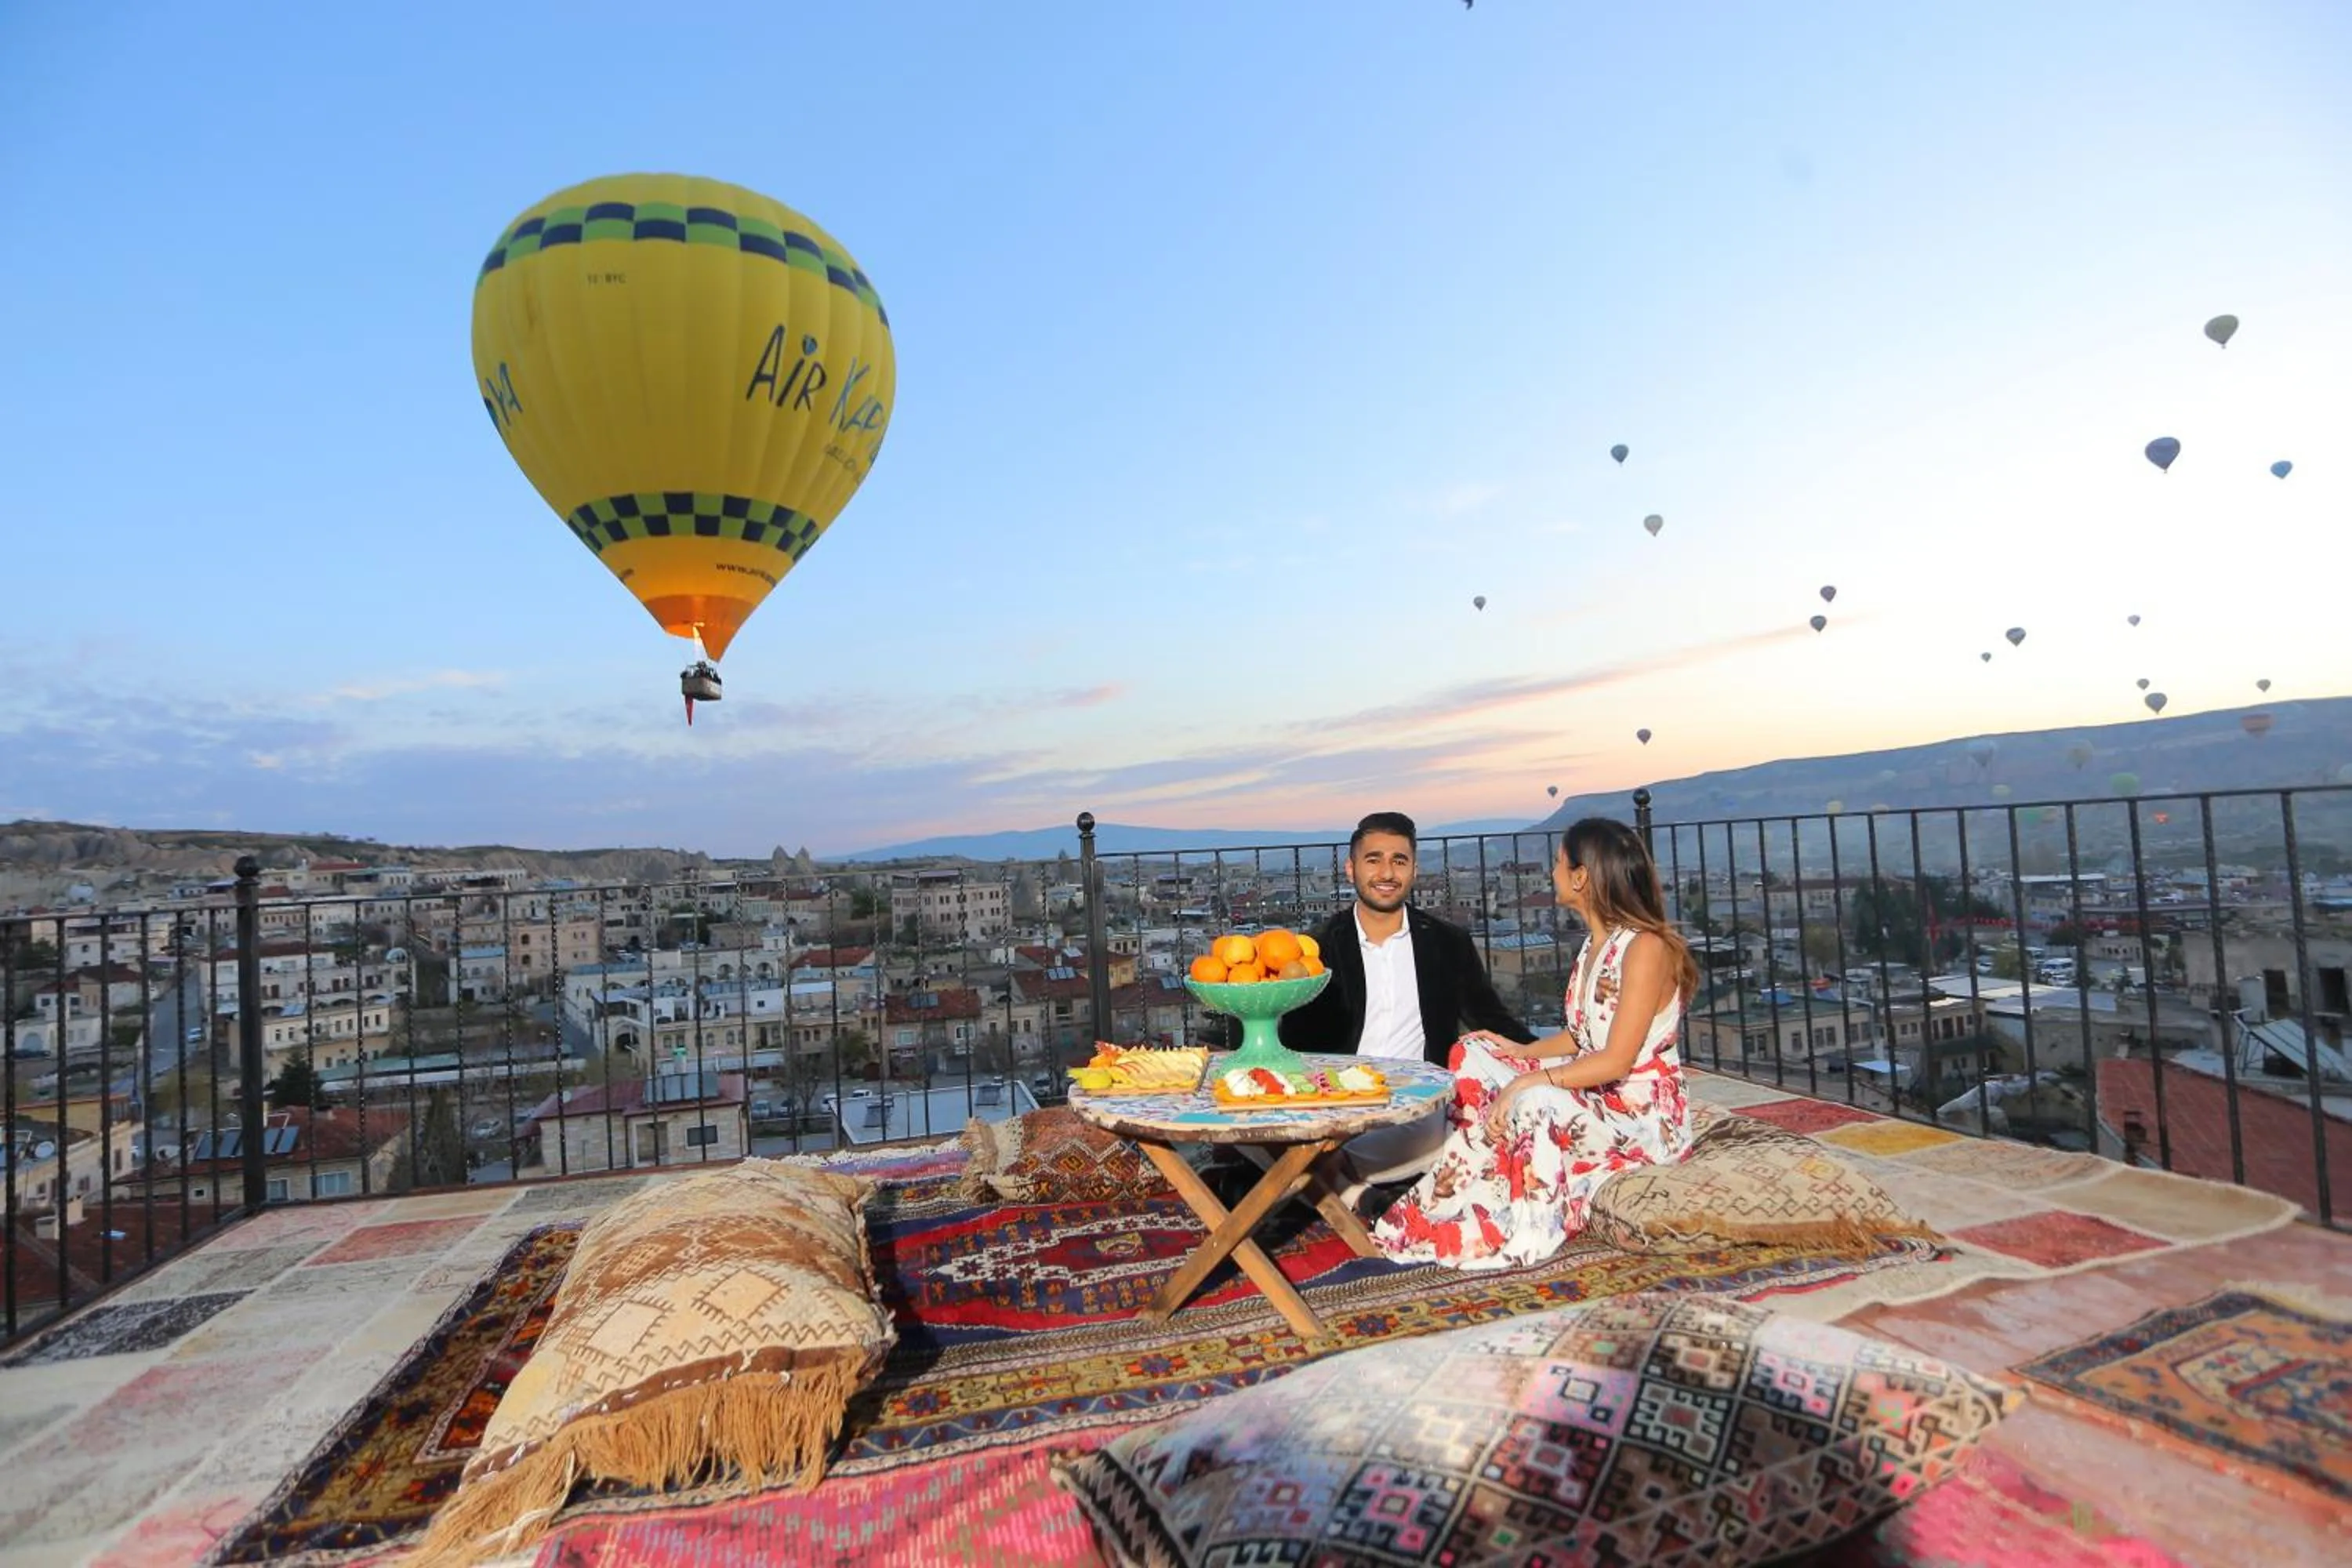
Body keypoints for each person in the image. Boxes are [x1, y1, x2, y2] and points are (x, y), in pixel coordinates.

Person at [1372, 816, 1696, 1271]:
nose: (1552, 872)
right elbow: (1582, 1034)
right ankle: (1469, 1187)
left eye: (1560, 863)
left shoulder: (1646, 949)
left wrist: (1527, 1082)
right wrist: (1517, 1052)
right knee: (1474, 1052)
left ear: (1582, 877)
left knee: (1538, 1098)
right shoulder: (1594, 945)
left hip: (1637, 1115)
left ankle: (1524, 1223)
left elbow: (1617, 1059)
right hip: (1595, 1092)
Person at [1279, 811, 1535, 1197]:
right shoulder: (1317, 948)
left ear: (1414, 870)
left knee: (1433, 1131)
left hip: (1413, 1107)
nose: (1386, 873)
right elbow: (1294, 1042)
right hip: (1335, 1102)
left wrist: (1557, 1060)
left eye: (1399, 861)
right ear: (1351, 869)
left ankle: (1321, 1182)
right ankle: (1348, 1187)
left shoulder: (1446, 944)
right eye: (1373, 859)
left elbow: (1492, 1020)